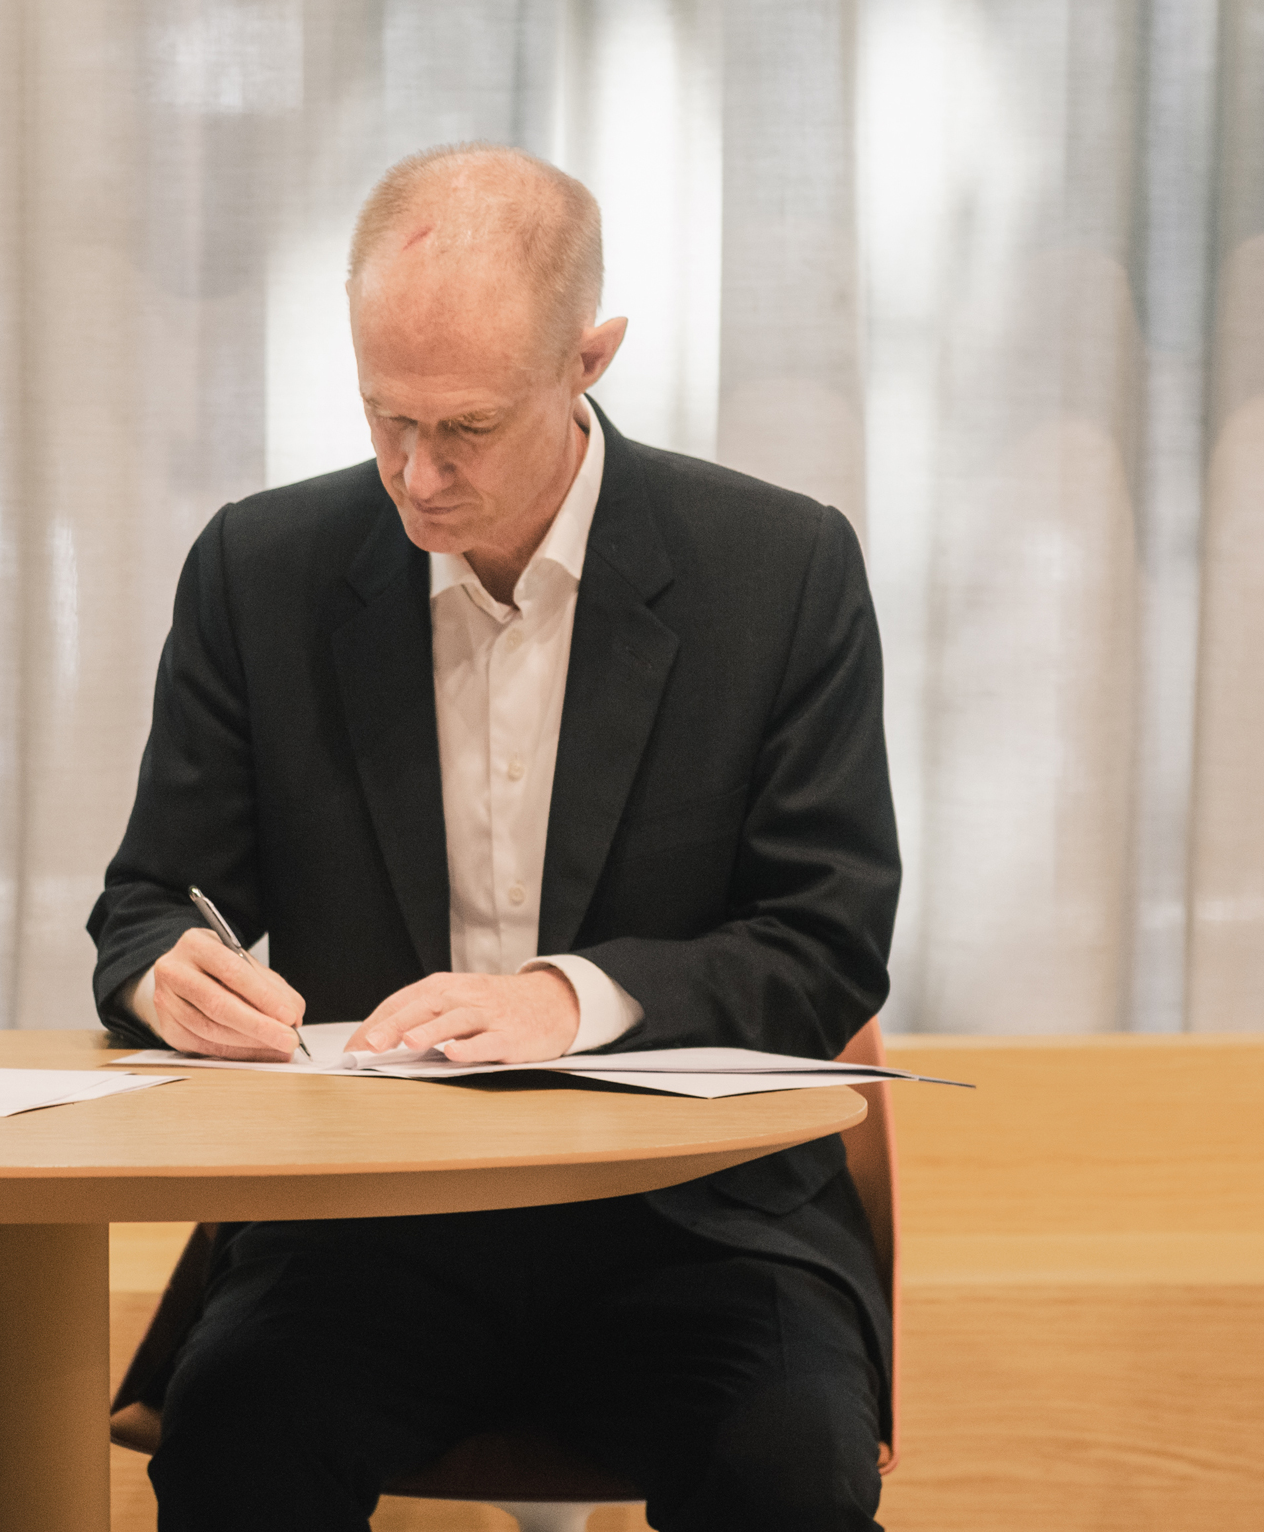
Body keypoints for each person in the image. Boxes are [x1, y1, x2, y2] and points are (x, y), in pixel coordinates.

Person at [88, 143, 899, 1532]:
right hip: (369, 1220)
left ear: (590, 360)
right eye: (383, 415)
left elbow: (827, 945)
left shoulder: (777, 570)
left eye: (465, 427)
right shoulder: (262, 570)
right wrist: (169, 973)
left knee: (788, 1463)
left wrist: (567, 1001)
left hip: (700, 1221)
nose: (416, 475)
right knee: (235, 1440)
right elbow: (150, 903)